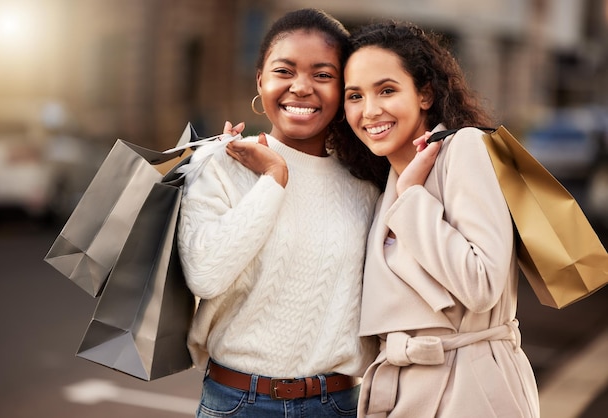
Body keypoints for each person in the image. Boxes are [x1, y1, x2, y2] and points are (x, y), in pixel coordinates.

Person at [176, 8, 385, 418]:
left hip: (338, 404)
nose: (301, 87)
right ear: (261, 81)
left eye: (323, 75)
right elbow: (205, 273)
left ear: (345, 89)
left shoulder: (366, 180)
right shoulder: (220, 162)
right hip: (238, 403)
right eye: (285, 71)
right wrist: (274, 177)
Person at [339, 21, 540, 417]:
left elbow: (482, 283)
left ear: (425, 93)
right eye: (354, 96)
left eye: (387, 90)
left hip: (470, 389)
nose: (370, 110)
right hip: (402, 393)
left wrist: (413, 198)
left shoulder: (464, 148)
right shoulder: (390, 181)